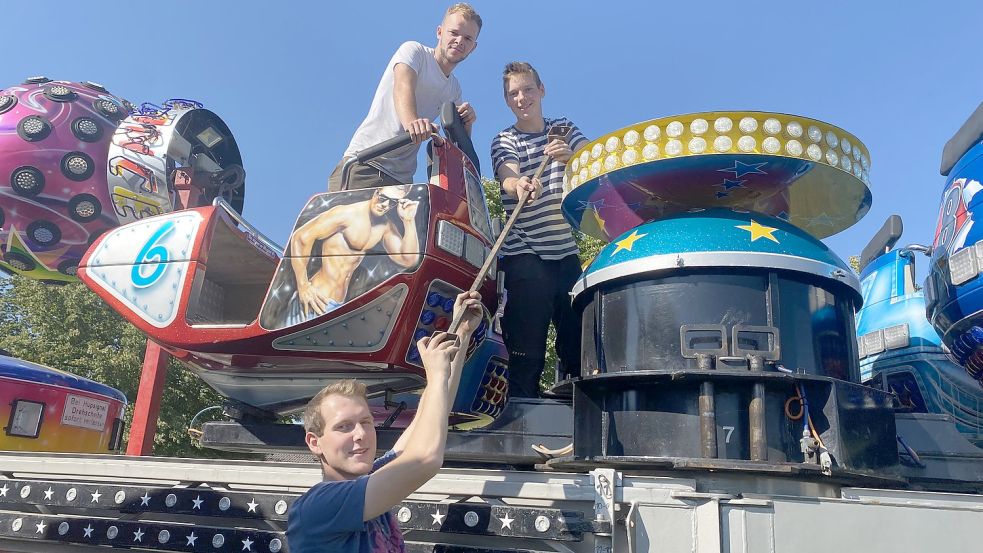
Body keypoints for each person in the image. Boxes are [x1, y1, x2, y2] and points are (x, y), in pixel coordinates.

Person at [287, 291, 484, 552]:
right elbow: (425, 459)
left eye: (366, 422)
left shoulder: (370, 483)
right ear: (314, 442)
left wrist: (461, 333)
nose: (360, 434)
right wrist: (435, 375)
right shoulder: (319, 505)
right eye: (344, 426)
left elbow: (432, 414)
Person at [490, 62, 589, 398]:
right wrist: (518, 185)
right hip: (523, 252)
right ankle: (521, 413)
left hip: (565, 252)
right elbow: (507, 172)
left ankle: (576, 411)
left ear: (541, 89)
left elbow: (591, 162)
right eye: (513, 93)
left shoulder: (563, 129)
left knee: (577, 339)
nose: (522, 98)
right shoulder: (504, 139)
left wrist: (571, 155)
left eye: (527, 89)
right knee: (527, 346)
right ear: (507, 101)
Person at [328, 4, 481, 192]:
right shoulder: (414, 51)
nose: (459, 41)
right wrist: (412, 122)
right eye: (454, 33)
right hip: (366, 164)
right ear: (439, 32)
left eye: (467, 38)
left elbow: (457, 146)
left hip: (402, 182)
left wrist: (467, 123)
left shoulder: (454, 88)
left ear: (473, 47)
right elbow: (402, 85)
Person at [289, 185, 421, 321]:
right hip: (315, 300)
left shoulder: (385, 226)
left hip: (337, 305)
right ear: (376, 192)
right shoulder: (347, 214)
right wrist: (303, 285)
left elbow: (408, 259)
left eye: (392, 202)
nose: (385, 205)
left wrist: (408, 221)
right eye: (383, 198)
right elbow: (300, 238)